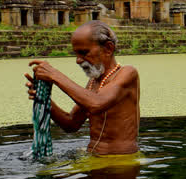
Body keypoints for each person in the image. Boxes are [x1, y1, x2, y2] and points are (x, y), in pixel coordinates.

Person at [25, 21, 140, 156]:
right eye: (76, 54)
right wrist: (44, 98)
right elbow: (71, 124)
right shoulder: (93, 82)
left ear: (108, 48)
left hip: (121, 161)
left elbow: (97, 103)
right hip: (93, 157)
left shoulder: (127, 73)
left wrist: (54, 75)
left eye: (84, 53)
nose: (78, 60)